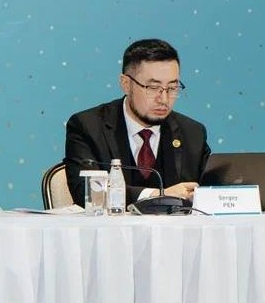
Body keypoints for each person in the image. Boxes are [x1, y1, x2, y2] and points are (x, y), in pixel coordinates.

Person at [64, 39, 210, 205]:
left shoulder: (192, 133)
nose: (164, 99)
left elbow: (212, 192)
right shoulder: (88, 127)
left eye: (172, 88)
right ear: (126, 84)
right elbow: (88, 192)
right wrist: (159, 195)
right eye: (153, 88)